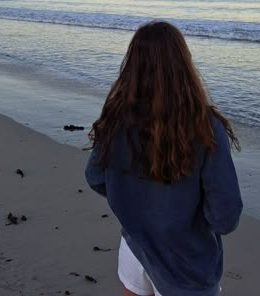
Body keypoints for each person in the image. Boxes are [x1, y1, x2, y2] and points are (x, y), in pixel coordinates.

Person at [85, 21, 242, 296]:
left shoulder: (116, 118)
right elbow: (224, 216)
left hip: (135, 246)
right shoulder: (204, 126)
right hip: (185, 263)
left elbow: (95, 177)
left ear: (132, 66)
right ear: (184, 64)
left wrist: (136, 206)